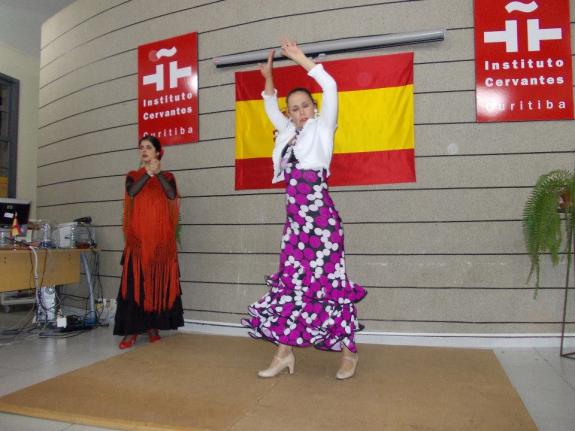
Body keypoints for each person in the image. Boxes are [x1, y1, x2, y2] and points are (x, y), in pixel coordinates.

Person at [242, 39, 367, 380]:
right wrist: (268, 79)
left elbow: (331, 85)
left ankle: (349, 352)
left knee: (330, 283)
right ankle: (283, 354)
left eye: (304, 106)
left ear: (314, 108)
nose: (299, 112)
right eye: (293, 108)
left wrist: (300, 60)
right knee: (290, 286)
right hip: (295, 224)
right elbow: (269, 106)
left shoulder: (323, 129)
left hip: (321, 221)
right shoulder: (286, 135)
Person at [114, 136, 184, 348]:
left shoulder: (168, 176)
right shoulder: (133, 176)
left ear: (158, 153)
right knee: (135, 287)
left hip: (161, 245)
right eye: (141, 148)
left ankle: (153, 327)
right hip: (138, 243)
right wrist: (148, 173)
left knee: (156, 286)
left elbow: (171, 195)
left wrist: (158, 174)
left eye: (149, 148)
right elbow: (132, 192)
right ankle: (131, 333)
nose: (144, 151)